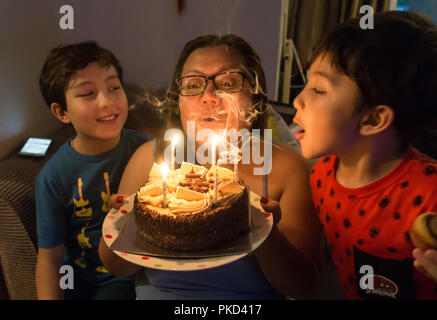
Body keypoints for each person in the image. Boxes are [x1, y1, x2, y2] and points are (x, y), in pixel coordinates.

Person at [99, 34, 323, 299]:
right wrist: (130, 224)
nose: (209, 96)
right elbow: (115, 267)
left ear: (254, 96)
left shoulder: (288, 168)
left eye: (228, 83)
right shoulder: (149, 159)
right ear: (178, 100)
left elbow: (303, 287)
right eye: (193, 85)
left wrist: (266, 233)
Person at [293, 11, 437, 299]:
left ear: (373, 119)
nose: (297, 99)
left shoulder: (431, 196)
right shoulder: (321, 177)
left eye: (319, 89)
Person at [35, 41, 155, 299]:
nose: (106, 101)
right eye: (88, 93)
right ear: (62, 112)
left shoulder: (146, 151)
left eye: (114, 87)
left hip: (124, 274)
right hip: (77, 273)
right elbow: (50, 261)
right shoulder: (53, 176)